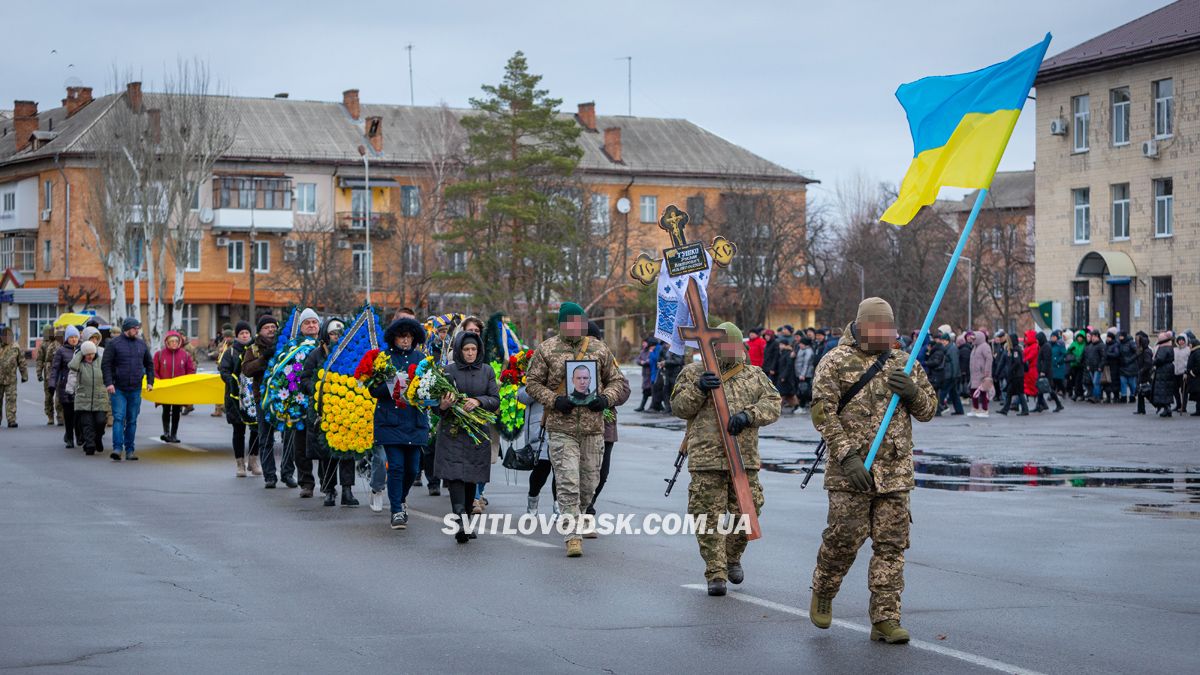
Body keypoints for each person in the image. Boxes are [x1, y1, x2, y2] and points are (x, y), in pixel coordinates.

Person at [808, 298, 936, 645]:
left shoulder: (904, 363)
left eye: (889, 330)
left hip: (894, 472)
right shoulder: (835, 362)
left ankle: (885, 617)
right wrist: (847, 457)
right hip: (851, 472)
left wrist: (912, 393)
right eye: (879, 330)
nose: (886, 336)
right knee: (844, 539)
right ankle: (824, 587)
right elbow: (823, 413)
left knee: (891, 547)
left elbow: (928, 409)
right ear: (862, 327)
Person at [672, 321, 781, 596]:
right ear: (714, 347)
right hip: (707, 459)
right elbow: (679, 408)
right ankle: (715, 572)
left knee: (748, 511)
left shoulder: (754, 375)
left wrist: (749, 416)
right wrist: (698, 387)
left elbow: (773, 403)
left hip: (743, 459)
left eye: (736, 345)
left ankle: (732, 556)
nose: (731, 351)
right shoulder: (695, 372)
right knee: (706, 516)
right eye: (725, 346)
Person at [525, 302, 628, 557]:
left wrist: (605, 398)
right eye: (569, 322)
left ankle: (580, 516)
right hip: (562, 427)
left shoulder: (598, 348)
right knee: (568, 479)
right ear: (561, 323)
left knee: (590, 482)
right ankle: (572, 534)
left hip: (594, 428)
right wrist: (553, 400)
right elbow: (532, 383)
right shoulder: (547, 349)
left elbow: (616, 380)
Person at [433, 331, 499, 544]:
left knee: (472, 476)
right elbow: (437, 405)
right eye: (466, 349)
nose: (470, 353)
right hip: (453, 432)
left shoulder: (487, 371)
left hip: (476, 432)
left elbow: (494, 400)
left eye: (473, 350)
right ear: (459, 351)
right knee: (455, 476)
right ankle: (460, 519)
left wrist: (479, 402)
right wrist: (444, 405)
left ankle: (467, 520)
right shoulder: (448, 371)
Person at [368, 317, 431, 528]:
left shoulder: (422, 358)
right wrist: (392, 384)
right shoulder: (383, 358)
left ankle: (401, 498)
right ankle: (396, 510)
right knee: (395, 466)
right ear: (393, 338)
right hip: (390, 420)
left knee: (412, 469)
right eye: (401, 337)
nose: (405, 341)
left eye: (409, 337)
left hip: (415, 420)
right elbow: (372, 390)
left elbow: (429, 389)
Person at [301, 317, 357, 507]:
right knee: (326, 453)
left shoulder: (350, 354)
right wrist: (318, 389)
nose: (336, 337)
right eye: (333, 333)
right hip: (323, 410)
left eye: (340, 334)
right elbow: (304, 379)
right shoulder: (316, 355)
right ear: (326, 334)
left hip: (346, 408)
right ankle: (329, 490)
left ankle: (347, 490)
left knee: (347, 452)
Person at [584, 320, 631, 526]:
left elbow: (623, 389)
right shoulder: (569, 360)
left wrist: (605, 398)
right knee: (575, 471)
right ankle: (577, 509)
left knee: (602, 472)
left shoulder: (607, 359)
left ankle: (590, 503)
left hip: (605, 424)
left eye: (594, 339)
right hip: (576, 425)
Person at [101, 318, 154, 461]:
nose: (137, 330)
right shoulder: (114, 344)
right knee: (118, 417)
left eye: (138, 328)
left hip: (135, 388)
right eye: (134, 328)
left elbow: (149, 364)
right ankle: (117, 449)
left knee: (132, 420)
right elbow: (106, 365)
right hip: (118, 388)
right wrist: (109, 383)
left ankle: (130, 450)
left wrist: (150, 382)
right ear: (127, 328)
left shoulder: (141, 344)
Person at [284, 309, 322, 497]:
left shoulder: (327, 347)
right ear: (301, 327)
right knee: (300, 446)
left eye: (314, 322)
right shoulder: (292, 348)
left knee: (323, 444)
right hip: (299, 404)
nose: (311, 325)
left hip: (321, 404)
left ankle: (327, 482)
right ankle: (306, 482)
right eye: (307, 323)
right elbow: (284, 374)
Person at [240, 315, 281, 487]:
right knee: (266, 439)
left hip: (285, 397)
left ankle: (287, 473)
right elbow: (247, 369)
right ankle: (270, 475)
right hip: (263, 398)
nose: (271, 330)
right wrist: (263, 359)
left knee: (291, 439)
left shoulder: (285, 345)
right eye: (267, 327)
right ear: (260, 331)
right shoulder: (254, 349)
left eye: (273, 326)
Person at [219, 321, 260, 477]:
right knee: (238, 431)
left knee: (256, 430)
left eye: (247, 333)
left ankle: (253, 461)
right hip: (235, 398)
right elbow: (224, 372)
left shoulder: (256, 350)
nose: (245, 335)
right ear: (237, 335)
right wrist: (236, 382)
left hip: (253, 396)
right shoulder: (230, 352)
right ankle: (240, 464)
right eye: (242, 333)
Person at [153, 330, 196, 443]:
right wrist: (158, 382)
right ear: (167, 342)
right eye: (171, 341)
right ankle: (166, 433)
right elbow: (154, 370)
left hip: (179, 389)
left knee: (177, 411)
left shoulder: (185, 355)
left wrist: (187, 381)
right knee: (166, 409)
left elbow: (191, 370)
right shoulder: (160, 354)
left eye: (176, 341)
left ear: (179, 342)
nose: (174, 343)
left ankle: (174, 434)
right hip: (165, 388)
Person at [68, 341, 108, 456]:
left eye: (92, 353)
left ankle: (97, 439)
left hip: (100, 397)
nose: (90, 356)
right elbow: (72, 366)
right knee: (87, 424)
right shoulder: (79, 363)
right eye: (87, 354)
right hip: (83, 398)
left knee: (100, 422)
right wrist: (80, 354)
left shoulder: (101, 361)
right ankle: (90, 445)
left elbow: (109, 373)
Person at [49, 326, 80, 445]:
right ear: (67, 339)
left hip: (80, 386)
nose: (73, 339)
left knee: (78, 414)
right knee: (68, 414)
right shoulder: (61, 351)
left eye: (75, 337)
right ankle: (70, 438)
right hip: (65, 387)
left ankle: (78, 435)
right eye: (71, 337)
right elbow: (55, 369)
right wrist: (52, 384)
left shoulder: (82, 349)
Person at [36, 325, 62, 425]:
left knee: (59, 396)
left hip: (58, 373)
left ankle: (60, 416)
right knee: (48, 396)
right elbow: (39, 360)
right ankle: (50, 416)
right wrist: (39, 373)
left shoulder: (59, 343)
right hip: (48, 374)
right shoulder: (43, 345)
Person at [998, 335, 1029, 416]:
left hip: (1017, 375)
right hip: (1015, 375)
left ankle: (1025, 410)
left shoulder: (1016, 350)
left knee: (1020, 393)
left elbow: (1017, 362)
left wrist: (1010, 370)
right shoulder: (1016, 349)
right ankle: (1005, 409)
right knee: (1009, 392)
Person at [1034, 332, 1063, 413]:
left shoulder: (1046, 347)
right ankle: (1039, 405)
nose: (1037, 341)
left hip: (1046, 372)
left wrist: (1043, 371)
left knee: (1049, 389)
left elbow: (1047, 361)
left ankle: (1059, 404)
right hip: (1043, 371)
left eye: (1037, 339)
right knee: (1040, 389)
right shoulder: (1043, 346)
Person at [968, 330, 993, 417]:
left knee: (983, 391)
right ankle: (976, 408)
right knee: (973, 391)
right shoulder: (975, 347)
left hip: (982, 374)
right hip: (974, 374)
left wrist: (987, 372)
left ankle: (985, 409)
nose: (972, 339)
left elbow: (989, 359)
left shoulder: (985, 346)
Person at [1151, 332, 1176, 418]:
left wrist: (1153, 362)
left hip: (1163, 370)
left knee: (1162, 389)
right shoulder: (1170, 347)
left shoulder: (1163, 348)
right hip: (1169, 369)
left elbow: (1160, 359)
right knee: (1167, 389)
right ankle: (1167, 407)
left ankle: (1166, 408)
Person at [212, 326, 234, 417]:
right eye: (225, 337)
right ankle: (218, 409)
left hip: (229, 371)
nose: (227, 339)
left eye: (229, 337)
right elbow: (217, 355)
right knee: (218, 390)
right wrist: (218, 353)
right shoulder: (221, 345)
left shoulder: (234, 346)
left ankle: (226, 407)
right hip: (221, 369)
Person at [941, 332, 964, 415]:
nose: (942, 342)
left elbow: (955, 363)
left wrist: (954, 375)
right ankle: (959, 410)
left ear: (947, 340)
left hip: (951, 375)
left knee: (943, 392)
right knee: (953, 393)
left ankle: (938, 408)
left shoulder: (952, 349)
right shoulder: (949, 348)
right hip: (951, 374)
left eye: (944, 340)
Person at [1133, 333, 1154, 415]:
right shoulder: (1142, 351)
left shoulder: (1146, 351)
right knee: (1140, 392)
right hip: (1142, 373)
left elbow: (1148, 364)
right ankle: (1141, 409)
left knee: (1146, 391)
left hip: (1145, 374)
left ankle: (1160, 405)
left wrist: (1141, 371)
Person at [793, 336, 815, 413]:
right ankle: (801, 406)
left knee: (804, 391)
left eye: (801, 343)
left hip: (805, 375)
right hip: (799, 374)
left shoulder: (808, 351)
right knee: (800, 390)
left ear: (805, 344)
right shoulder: (801, 350)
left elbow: (806, 364)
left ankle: (802, 407)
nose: (800, 345)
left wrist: (803, 374)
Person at [634, 338, 655, 412]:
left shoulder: (651, 351)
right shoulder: (643, 351)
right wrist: (641, 362)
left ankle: (651, 406)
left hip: (651, 373)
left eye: (645, 343)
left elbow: (651, 360)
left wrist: (645, 362)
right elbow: (638, 360)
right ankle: (643, 406)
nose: (643, 344)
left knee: (652, 391)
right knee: (646, 391)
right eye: (643, 343)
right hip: (645, 374)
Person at [1066, 331, 1086, 400]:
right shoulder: (1074, 344)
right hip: (1073, 364)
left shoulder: (1084, 345)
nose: (1080, 338)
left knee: (1078, 380)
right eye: (1079, 337)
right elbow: (1068, 352)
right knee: (1074, 380)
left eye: (1081, 337)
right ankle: (1080, 394)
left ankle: (1077, 394)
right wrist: (1071, 353)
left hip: (1081, 365)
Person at [1173, 335, 1190, 414]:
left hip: (1183, 373)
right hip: (1175, 373)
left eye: (1182, 340)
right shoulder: (1175, 349)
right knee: (1175, 390)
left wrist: (1187, 371)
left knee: (1184, 391)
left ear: (1185, 340)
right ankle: (1178, 405)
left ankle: (1183, 407)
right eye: (1179, 340)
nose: (1181, 341)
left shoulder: (1188, 350)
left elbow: (1189, 362)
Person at [1185, 334, 1200, 416]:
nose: (1189, 346)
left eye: (1190, 344)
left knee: (1199, 395)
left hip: (1197, 377)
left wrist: (1193, 372)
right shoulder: (1194, 352)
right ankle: (1198, 410)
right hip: (1195, 377)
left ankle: (1199, 410)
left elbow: (1198, 364)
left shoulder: (1197, 352)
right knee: (1198, 395)